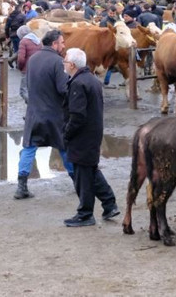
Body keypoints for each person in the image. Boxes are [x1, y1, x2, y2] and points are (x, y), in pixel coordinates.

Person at [61, 48, 119, 227]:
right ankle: (109, 203)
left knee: (82, 175)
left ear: (72, 65)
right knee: (91, 170)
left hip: (83, 136)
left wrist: (67, 133)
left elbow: (77, 115)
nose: (63, 63)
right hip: (92, 133)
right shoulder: (91, 79)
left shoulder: (78, 83)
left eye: (65, 61)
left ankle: (85, 214)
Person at [14, 29, 74, 200]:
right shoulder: (58, 62)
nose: (64, 45)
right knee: (64, 147)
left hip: (34, 112)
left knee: (29, 148)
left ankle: (21, 186)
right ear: (54, 44)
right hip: (54, 113)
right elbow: (63, 89)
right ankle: (78, 181)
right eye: (62, 42)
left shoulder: (33, 59)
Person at [16, 25, 42, 103]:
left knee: (23, 91)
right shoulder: (38, 40)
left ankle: (33, 106)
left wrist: (20, 67)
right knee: (34, 90)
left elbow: (21, 58)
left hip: (27, 69)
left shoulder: (23, 41)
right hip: (38, 69)